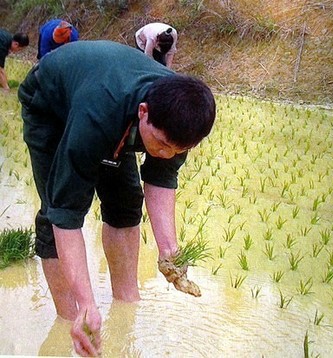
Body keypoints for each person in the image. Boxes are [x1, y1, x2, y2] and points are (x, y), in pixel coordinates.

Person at [18, 40, 216, 357]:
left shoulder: (179, 123)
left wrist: (169, 250)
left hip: (109, 99)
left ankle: (126, 303)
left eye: (177, 150)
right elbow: (65, 216)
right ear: (143, 112)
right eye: (162, 144)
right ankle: (72, 317)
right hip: (50, 103)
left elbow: (161, 176)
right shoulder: (96, 117)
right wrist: (87, 302)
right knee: (54, 208)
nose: (168, 154)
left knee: (125, 204)